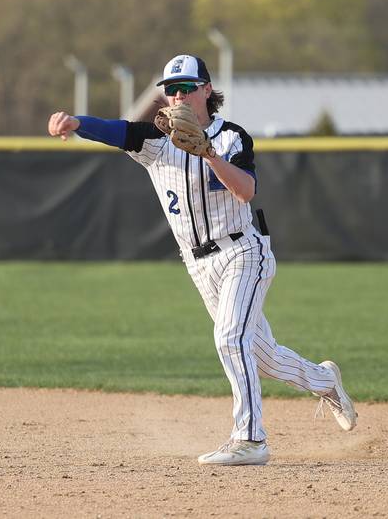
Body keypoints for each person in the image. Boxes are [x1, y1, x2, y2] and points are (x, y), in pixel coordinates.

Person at [48, 54, 356, 466]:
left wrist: (209, 153)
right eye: (171, 89)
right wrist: (76, 123)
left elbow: (245, 191)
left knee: (230, 338)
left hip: (244, 251)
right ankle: (324, 380)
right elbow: (116, 130)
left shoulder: (233, 137)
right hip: (197, 264)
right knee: (262, 357)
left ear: (207, 90)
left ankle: (250, 439)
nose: (176, 95)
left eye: (186, 87)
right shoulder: (154, 140)